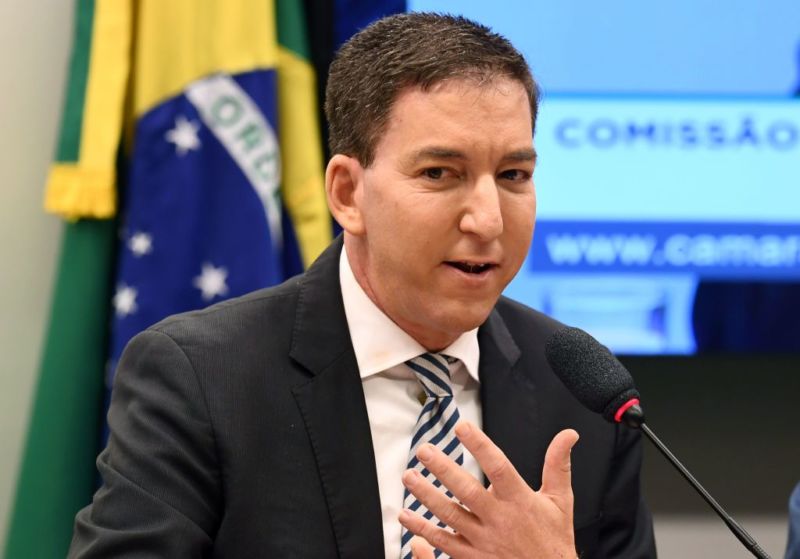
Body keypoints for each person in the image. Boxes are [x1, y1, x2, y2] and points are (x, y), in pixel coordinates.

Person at [69, 13, 655, 558]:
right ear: (348, 193)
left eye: (513, 176)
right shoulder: (203, 377)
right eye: (440, 174)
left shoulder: (583, 393)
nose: (489, 219)